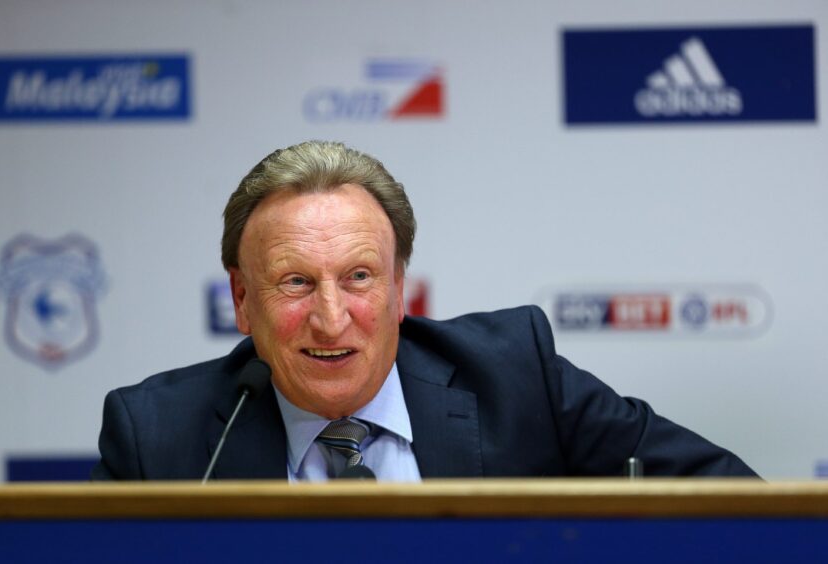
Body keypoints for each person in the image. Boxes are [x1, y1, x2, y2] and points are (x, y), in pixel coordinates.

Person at [92, 140, 757, 481]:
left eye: (358, 277)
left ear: (399, 287)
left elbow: (731, 501)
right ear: (242, 300)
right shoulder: (159, 436)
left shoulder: (515, 375)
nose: (331, 317)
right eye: (295, 283)